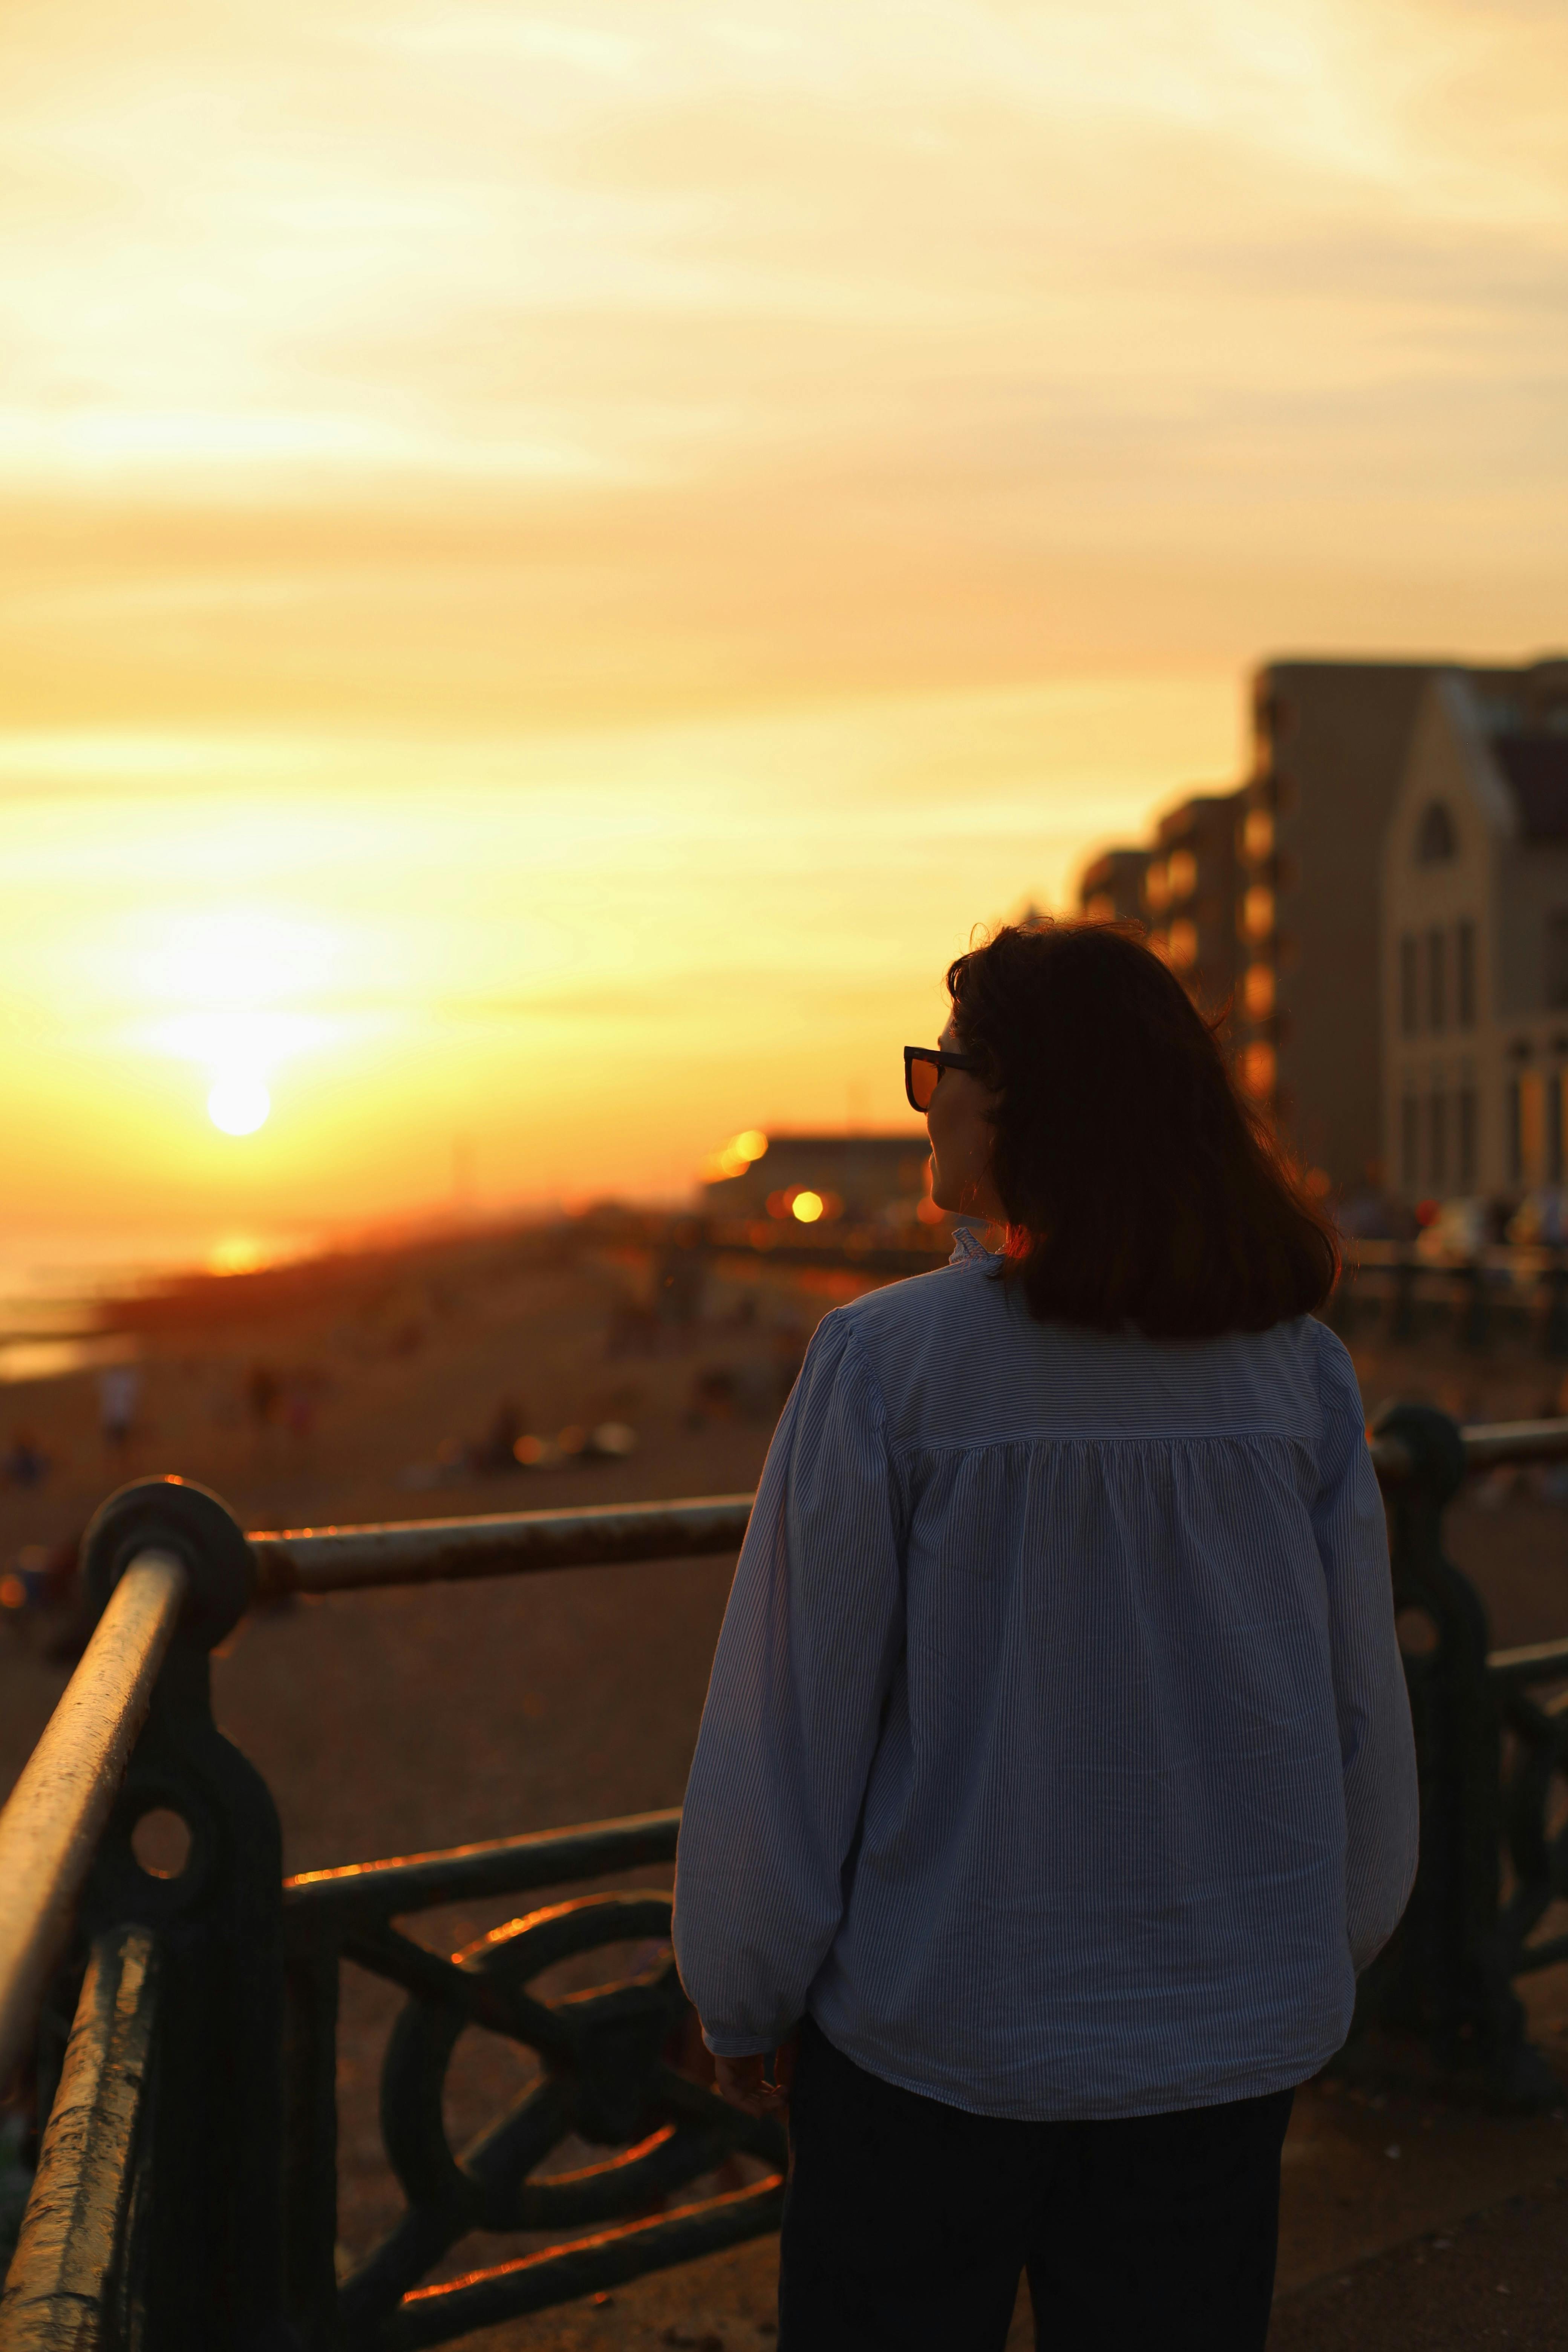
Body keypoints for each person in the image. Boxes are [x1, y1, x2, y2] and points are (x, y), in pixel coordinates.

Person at [672, 920, 1418, 2352]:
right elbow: (1359, 1706)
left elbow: (790, 1718)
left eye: (937, 1070)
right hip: (1220, 2044)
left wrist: (743, 1984)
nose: (927, 1101)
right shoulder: (1293, 1375)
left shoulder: (890, 1366)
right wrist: (1325, 1944)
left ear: (1019, 1100)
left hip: (938, 2039)